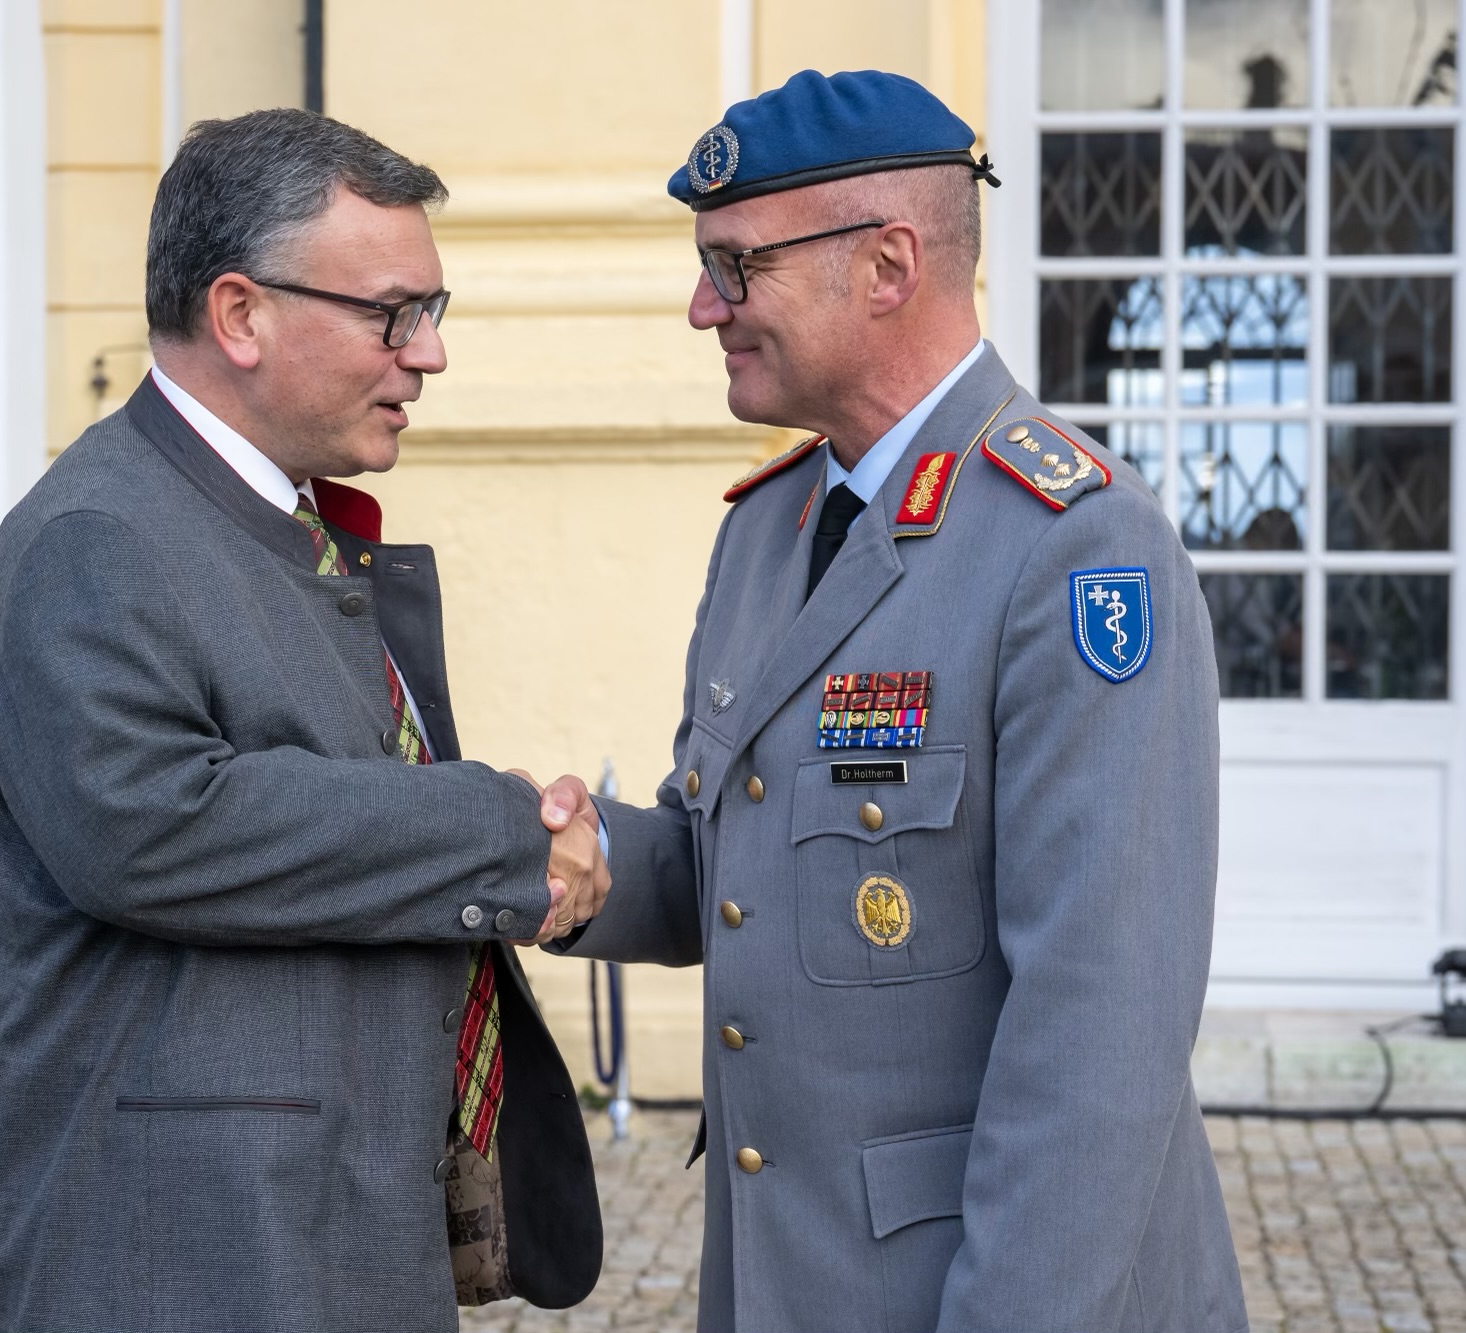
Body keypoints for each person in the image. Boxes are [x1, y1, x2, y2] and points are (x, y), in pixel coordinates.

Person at [540, 70, 1248, 1332]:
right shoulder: (768, 530)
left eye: (734, 267)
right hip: (790, 1281)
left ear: (885, 265)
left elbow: (1097, 1042)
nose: (702, 306)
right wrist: (547, 850)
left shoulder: (1076, 551)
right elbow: (732, 862)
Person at [0, 109, 607, 1333]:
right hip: (186, 1259)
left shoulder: (267, 519)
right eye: (391, 313)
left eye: (432, 310)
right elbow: (151, 826)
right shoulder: (95, 537)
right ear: (240, 314)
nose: (428, 355)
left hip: (319, 1237)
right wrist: (502, 834)